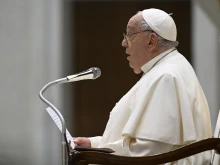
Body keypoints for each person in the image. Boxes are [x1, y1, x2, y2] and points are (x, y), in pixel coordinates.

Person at [73, 8, 212, 164]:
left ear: (151, 41)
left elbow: (149, 152)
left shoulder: (167, 76)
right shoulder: (165, 68)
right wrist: (93, 145)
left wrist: (93, 154)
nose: (123, 43)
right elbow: (143, 145)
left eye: (129, 35)